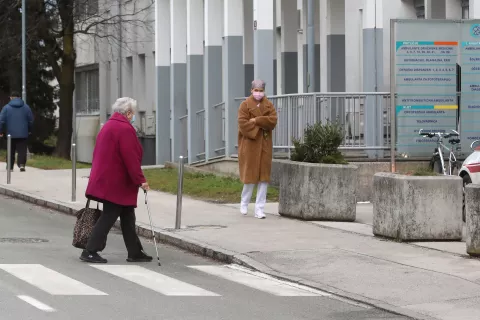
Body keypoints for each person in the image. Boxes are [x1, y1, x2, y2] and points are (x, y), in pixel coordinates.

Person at [81, 97, 152, 264]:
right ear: (128, 113)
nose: (133, 116)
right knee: (109, 215)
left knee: (128, 215)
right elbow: (130, 158)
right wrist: (141, 180)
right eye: (132, 113)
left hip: (109, 179)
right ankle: (90, 250)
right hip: (117, 182)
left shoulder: (109, 126)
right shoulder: (124, 129)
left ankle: (134, 252)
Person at [237, 80, 278, 219]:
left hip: (265, 145)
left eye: (261, 90)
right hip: (250, 145)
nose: (259, 93)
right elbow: (243, 124)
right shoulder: (245, 105)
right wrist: (261, 124)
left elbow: (272, 121)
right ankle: (244, 203)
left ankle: (259, 209)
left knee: (264, 179)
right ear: (251, 90)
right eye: (257, 90)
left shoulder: (268, 104)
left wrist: (256, 120)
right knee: (250, 177)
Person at [0, 91, 34, 172]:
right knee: (22, 150)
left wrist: (0, 131)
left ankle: (10, 167)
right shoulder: (26, 107)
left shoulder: (6, 107)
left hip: (10, 133)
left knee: (10, 150)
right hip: (23, 133)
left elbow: (1, 121)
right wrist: (30, 130)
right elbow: (31, 120)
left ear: (11, 98)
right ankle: (22, 165)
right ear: (19, 98)